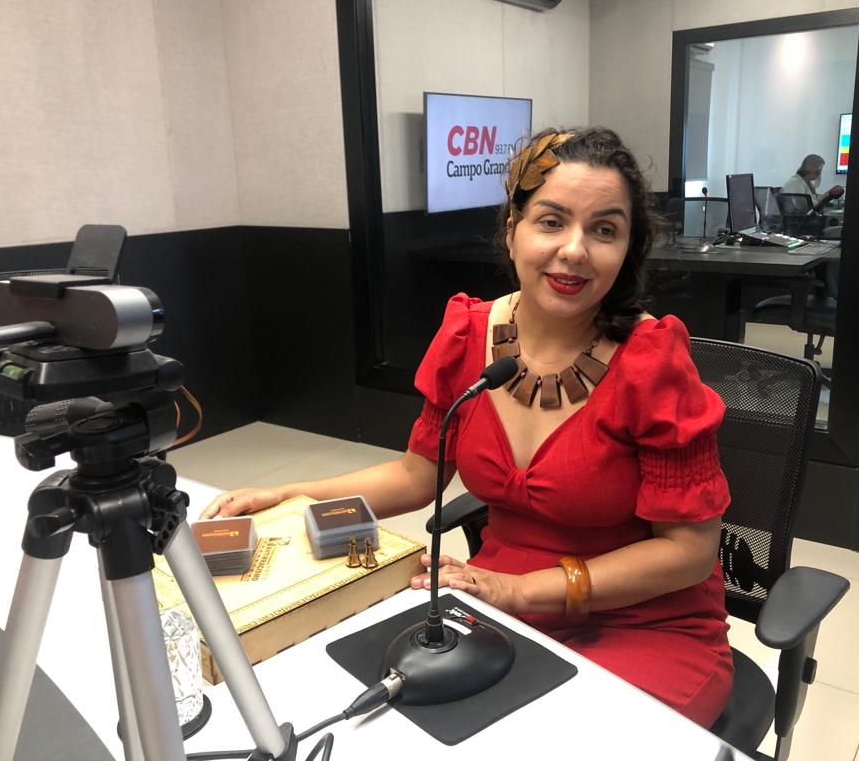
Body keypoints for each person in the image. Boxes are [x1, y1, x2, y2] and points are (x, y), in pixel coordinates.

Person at [201, 127, 734, 727]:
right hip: (499, 604)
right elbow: (415, 474)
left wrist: (520, 590)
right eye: (551, 221)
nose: (575, 250)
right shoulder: (466, 335)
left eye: (604, 230)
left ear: (627, 249)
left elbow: (688, 554)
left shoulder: (653, 361)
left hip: (645, 620)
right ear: (513, 229)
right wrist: (290, 496)